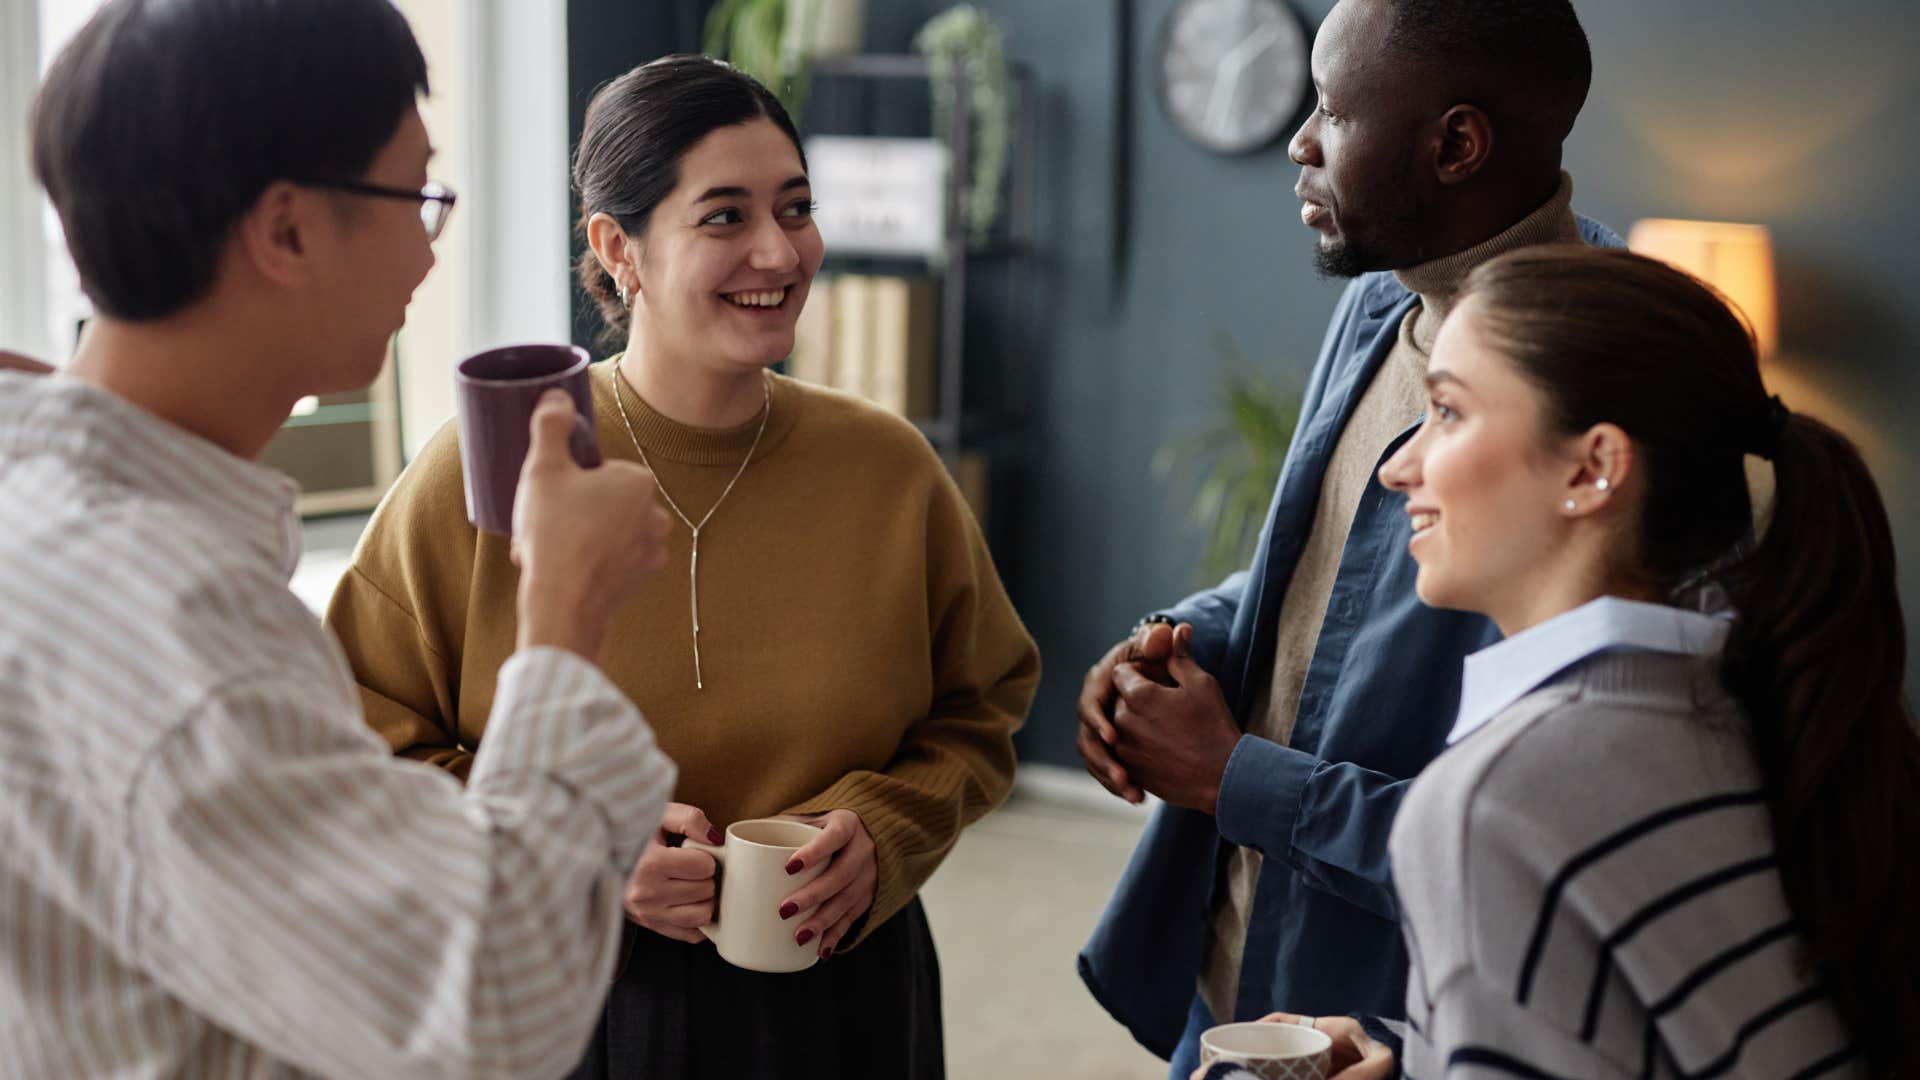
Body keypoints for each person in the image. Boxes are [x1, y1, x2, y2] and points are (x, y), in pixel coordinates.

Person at [0, 1, 683, 1077]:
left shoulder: (42, 500)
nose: (427, 241)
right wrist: (564, 609)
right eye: (414, 192)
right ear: (286, 231)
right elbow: (490, 1009)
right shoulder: (179, 639)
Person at [324, 54, 1040, 1080]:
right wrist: (578, 848)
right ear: (619, 248)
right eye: (724, 216)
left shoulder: (889, 469)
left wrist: (886, 833)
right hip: (563, 997)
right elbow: (363, 756)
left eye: (795, 208)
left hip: (843, 1000)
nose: (778, 250)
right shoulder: (488, 468)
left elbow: (982, 711)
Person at [1076, 0, 1620, 1071]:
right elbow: (1320, 573)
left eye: (1331, 108)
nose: (1300, 140)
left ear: (1454, 144)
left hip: (1388, 1025)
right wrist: (1176, 637)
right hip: (1236, 975)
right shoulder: (1380, 302)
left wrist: (1235, 776)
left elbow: (1530, 849)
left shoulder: (1598, 394)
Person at [1325, 246, 1911, 1077]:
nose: (1399, 465)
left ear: (1593, 466)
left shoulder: (1495, 802)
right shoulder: (1749, 699)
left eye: (1449, 412)